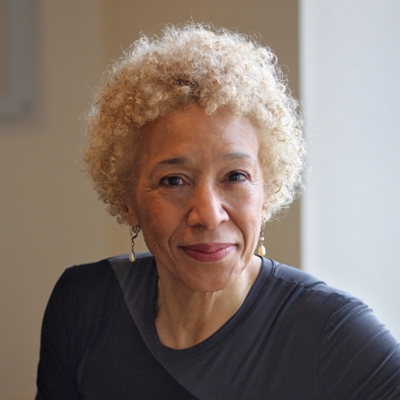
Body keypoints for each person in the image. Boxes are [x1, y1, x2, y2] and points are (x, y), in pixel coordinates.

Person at [36, 23, 400, 399]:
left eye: (235, 176)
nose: (209, 216)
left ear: (267, 191)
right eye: (174, 180)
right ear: (128, 200)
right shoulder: (83, 306)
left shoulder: (331, 333)